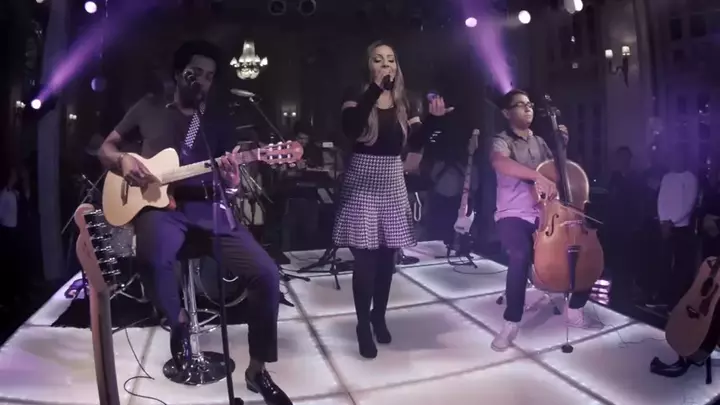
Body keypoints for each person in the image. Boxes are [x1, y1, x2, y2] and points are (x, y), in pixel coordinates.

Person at [98, 40, 292, 404]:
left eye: (209, 76)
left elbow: (229, 180)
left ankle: (257, 370)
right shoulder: (148, 107)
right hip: (162, 210)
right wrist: (122, 160)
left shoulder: (216, 120)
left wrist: (232, 183)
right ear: (178, 74)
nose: (201, 81)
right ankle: (179, 321)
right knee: (152, 259)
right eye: (195, 73)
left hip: (210, 208)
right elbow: (106, 147)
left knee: (266, 273)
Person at [334, 40, 450, 359]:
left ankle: (378, 317)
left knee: (387, 259)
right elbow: (350, 128)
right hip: (362, 179)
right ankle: (362, 325)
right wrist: (375, 90)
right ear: (368, 65)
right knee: (365, 261)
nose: (386, 65)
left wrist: (435, 121)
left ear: (397, 66)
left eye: (390, 60)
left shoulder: (405, 100)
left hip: (391, 179)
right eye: (378, 60)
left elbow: (416, 141)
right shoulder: (356, 93)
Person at [489, 89, 602, 352]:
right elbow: (499, 163)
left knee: (587, 250)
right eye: (520, 105)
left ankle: (575, 311)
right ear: (506, 113)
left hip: (547, 214)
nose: (528, 108)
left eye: (529, 104)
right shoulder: (502, 140)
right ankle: (511, 322)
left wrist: (562, 146)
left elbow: (556, 173)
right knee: (519, 254)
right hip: (514, 214)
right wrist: (536, 176)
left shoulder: (540, 142)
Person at [653, 151, 698, 309]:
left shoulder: (690, 178)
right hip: (665, 226)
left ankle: (676, 301)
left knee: (680, 266)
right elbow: (661, 199)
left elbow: (689, 204)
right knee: (663, 262)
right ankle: (663, 297)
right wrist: (663, 221)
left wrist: (672, 222)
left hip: (681, 228)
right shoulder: (667, 177)